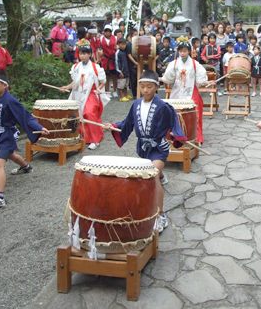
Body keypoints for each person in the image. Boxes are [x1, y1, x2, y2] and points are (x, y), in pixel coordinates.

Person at [104, 70, 188, 232]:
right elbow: (127, 124)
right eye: (142, 87)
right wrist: (113, 127)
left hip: (158, 148)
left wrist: (177, 136)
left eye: (149, 87)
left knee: (152, 176)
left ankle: (160, 216)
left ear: (157, 87)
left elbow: (174, 123)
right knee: (151, 171)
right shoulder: (135, 105)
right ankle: (162, 175)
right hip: (143, 148)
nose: (145, 90)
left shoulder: (163, 106)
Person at [0, 70, 49, 208]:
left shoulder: (10, 100)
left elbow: (24, 115)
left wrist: (39, 128)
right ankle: (25, 167)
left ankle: (0, 197)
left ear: (4, 85)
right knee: (10, 155)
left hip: (7, 135)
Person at [60, 40, 109, 150]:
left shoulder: (95, 67)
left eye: (85, 53)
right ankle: (82, 136)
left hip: (91, 93)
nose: (83, 56)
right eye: (81, 53)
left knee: (89, 113)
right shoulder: (76, 67)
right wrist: (66, 87)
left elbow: (102, 81)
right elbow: (75, 82)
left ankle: (95, 139)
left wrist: (99, 89)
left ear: (90, 54)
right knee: (77, 114)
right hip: (77, 93)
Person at [162, 37, 211, 145]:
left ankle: (195, 137)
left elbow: (200, 77)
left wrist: (205, 82)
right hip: (177, 91)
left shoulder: (194, 64)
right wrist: (163, 78)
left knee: (195, 115)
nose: (182, 53)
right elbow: (168, 78)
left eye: (184, 51)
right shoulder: (174, 63)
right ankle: (175, 137)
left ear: (189, 51)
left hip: (191, 91)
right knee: (174, 114)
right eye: (180, 51)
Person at [100, 25, 118, 97]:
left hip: (112, 59)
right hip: (105, 59)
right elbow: (99, 48)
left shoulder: (115, 38)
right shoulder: (101, 39)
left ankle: (114, 90)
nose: (107, 33)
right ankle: (107, 91)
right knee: (106, 76)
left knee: (114, 76)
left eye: (109, 31)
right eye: (106, 31)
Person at [126, 29, 139, 98]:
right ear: (131, 36)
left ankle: (139, 92)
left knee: (138, 78)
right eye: (135, 34)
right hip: (132, 64)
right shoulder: (128, 44)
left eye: (137, 34)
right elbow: (129, 55)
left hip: (138, 63)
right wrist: (135, 63)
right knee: (133, 80)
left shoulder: (138, 43)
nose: (136, 36)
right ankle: (134, 94)